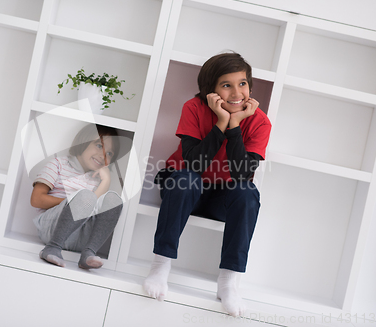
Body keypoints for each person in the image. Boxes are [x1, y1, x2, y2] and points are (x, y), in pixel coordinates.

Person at [143, 52, 271, 316]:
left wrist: (234, 125)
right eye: (227, 85)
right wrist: (221, 122)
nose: (238, 92)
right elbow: (194, 165)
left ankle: (228, 282)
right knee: (187, 179)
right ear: (210, 90)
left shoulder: (259, 121)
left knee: (248, 193)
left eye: (243, 83)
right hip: (183, 186)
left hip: (220, 198)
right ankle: (160, 266)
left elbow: (242, 173)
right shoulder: (194, 108)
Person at [31, 124, 123, 270]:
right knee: (86, 197)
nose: (103, 155)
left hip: (79, 238)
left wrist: (106, 182)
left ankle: (89, 252)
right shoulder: (59, 164)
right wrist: (73, 202)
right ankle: (52, 247)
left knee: (114, 200)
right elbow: (36, 200)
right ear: (83, 142)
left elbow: (92, 209)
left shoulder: (98, 179)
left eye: (110, 154)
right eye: (99, 146)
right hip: (52, 230)